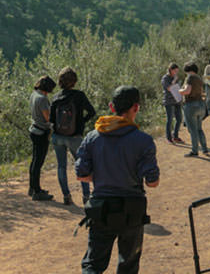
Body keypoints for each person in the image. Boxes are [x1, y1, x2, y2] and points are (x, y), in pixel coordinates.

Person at [75, 86, 159, 274]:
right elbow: (152, 182)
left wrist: (102, 176)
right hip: (133, 209)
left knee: (93, 264)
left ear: (112, 107)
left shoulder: (92, 137)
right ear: (136, 108)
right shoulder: (144, 141)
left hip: (101, 209)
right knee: (128, 265)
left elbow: (81, 174)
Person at [50, 67, 96, 205]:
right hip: (75, 137)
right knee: (82, 164)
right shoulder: (79, 95)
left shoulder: (55, 97)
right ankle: (86, 196)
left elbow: (52, 120)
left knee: (61, 166)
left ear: (60, 82)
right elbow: (91, 112)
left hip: (58, 137)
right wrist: (81, 122)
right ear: (74, 81)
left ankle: (66, 196)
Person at [28, 75, 56, 201]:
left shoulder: (34, 94)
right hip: (41, 132)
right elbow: (47, 118)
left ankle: (32, 188)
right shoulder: (43, 99)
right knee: (38, 162)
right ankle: (37, 191)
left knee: (34, 161)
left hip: (34, 129)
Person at [179, 62, 208, 156]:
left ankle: (195, 151)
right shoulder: (199, 79)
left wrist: (179, 91)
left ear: (188, 70)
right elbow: (202, 92)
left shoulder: (190, 78)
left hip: (191, 105)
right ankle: (205, 149)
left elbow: (187, 91)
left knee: (192, 130)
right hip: (201, 105)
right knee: (199, 129)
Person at [161, 63, 184, 144]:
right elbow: (169, 88)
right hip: (169, 101)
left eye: (177, 71)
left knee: (179, 119)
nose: (176, 73)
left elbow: (178, 88)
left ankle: (175, 136)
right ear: (170, 70)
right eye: (175, 71)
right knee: (170, 119)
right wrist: (174, 80)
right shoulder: (165, 78)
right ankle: (169, 137)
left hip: (177, 100)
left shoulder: (176, 77)